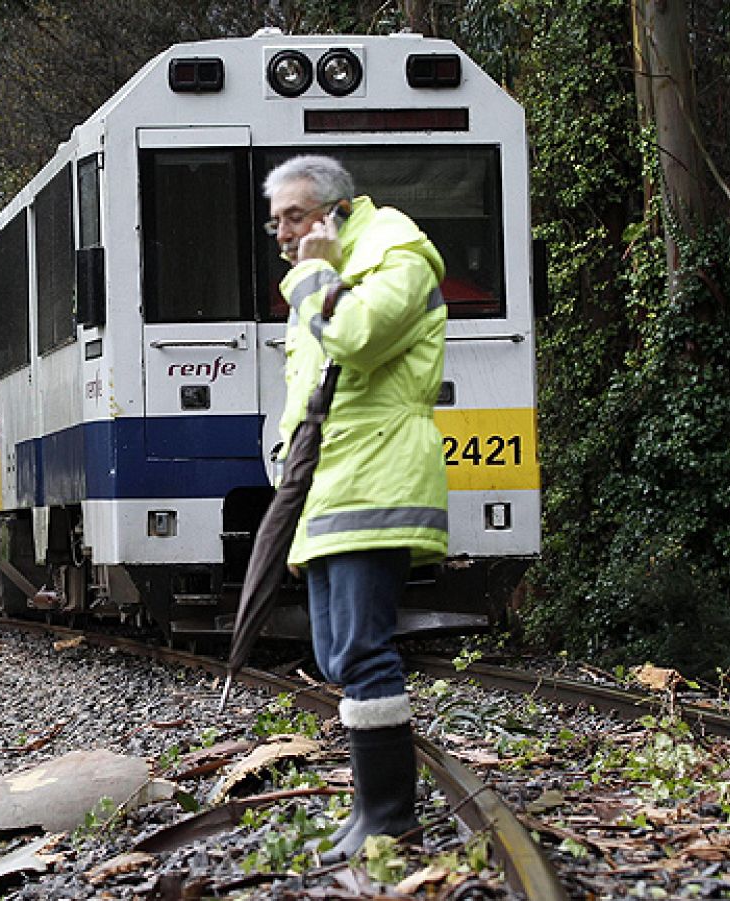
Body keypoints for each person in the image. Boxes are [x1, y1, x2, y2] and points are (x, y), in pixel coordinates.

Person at [263, 155, 448, 862]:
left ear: (336, 210)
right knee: (335, 652)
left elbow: (360, 340)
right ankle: (370, 810)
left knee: (365, 649)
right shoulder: (338, 259)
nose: (283, 234)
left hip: (377, 479)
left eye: (294, 217)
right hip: (331, 487)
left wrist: (313, 277)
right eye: (276, 221)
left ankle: (392, 816)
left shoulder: (395, 252)